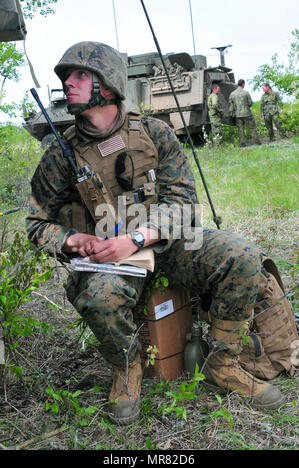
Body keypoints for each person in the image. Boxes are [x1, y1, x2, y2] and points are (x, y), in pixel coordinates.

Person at [26, 42, 294, 425]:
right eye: (66, 77)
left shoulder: (154, 133)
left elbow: (183, 200)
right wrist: (74, 241)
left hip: (163, 244)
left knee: (242, 255)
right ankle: (127, 368)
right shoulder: (59, 154)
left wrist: (138, 237)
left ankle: (223, 361)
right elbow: (36, 223)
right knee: (99, 298)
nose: (68, 83)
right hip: (108, 261)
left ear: (107, 81)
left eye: (80, 74)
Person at [229, 79, 261, 147]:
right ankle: (257, 142)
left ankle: (242, 143)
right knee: (252, 128)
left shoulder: (232, 94)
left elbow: (231, 107)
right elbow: (250, 103)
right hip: (247, 114)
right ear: (243, 84)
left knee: (240, 129)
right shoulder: (246, 92)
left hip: (238, 115)